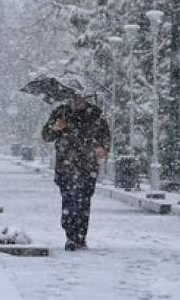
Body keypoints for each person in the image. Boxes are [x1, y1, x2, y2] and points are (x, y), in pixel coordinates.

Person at [41, 93, 110, 250]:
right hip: (65, 167)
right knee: (68, 201)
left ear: (86, 97)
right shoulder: (61, 113)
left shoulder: (94, 114)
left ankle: (80, 236)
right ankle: (70, 235)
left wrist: (102, 149)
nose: (77, 100)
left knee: (83, 202)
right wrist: (55, 127)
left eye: (80, 97)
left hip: (87, 166)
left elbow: (105, 137)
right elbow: (46, 135)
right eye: (74, 97)